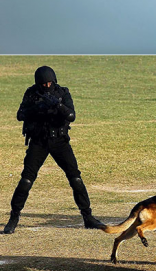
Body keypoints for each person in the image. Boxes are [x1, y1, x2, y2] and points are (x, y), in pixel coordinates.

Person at [3, 66, 104, 234]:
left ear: (54, 81)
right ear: (38, 83)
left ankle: (88, 217)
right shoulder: (31, 93)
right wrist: (38, 107)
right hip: (39, 142)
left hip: (59, 141)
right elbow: (20, 115)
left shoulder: (62, 93)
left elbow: (71, 115)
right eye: (43, 84)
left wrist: (58, 105)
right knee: (26, 180)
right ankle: (14, 217)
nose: (47, 86)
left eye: (50, 82)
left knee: (75, 178)